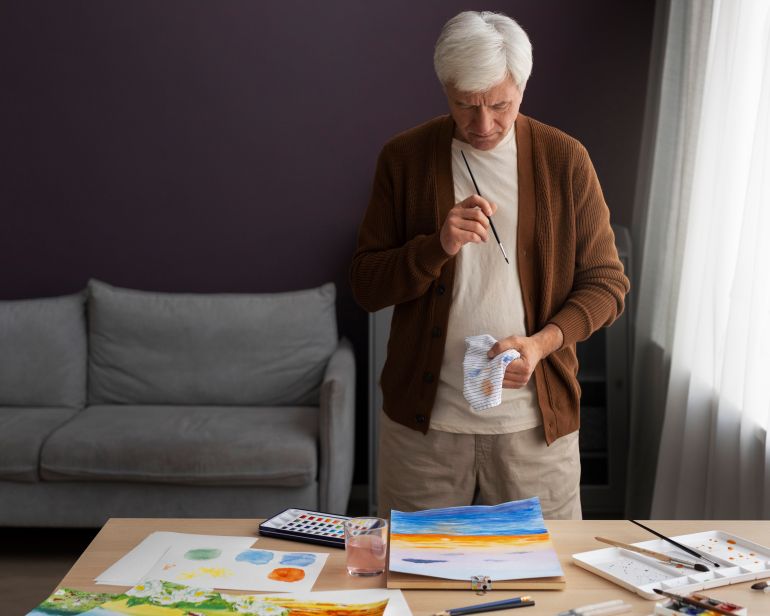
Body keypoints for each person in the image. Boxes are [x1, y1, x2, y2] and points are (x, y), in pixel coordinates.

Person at [350, 11, 630, 519]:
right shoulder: (404, 159)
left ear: (521, 85)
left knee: (544, 587)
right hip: (423, 435)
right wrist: (434, 246)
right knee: (417, 586)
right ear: (445, 88)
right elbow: (366, 286)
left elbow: (607, 284)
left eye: (500, 105)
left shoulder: (565, 160)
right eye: (466, 105)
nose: (483, 125)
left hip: (534, 433)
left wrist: (541, 344)